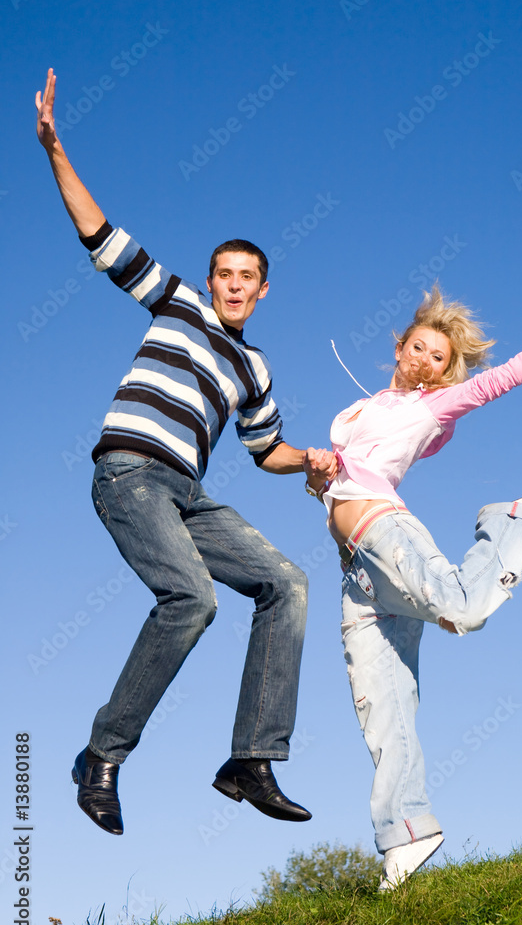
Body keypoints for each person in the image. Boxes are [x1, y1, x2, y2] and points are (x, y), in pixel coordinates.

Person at [36, 68, 336, 835]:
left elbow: (266, 449)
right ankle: (101, 756)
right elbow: (101, 235)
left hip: (188, 494)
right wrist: (56, 150)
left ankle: (250, 760)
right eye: (224, 275)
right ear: (210, 281)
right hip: (130, 471)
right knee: (192, 600)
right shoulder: (177, 302)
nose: (234, 286)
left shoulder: (255, 367)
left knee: (287, 582)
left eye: (247, 278)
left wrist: (310, 459)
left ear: (263, 291)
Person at [304, 286, 522, 890]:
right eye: (419, 348)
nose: (425, 361)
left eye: (439, 358)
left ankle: (512, 520)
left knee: (465, 609)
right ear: (399, 347)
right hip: (357, 572)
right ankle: (407, 833)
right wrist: (319, 472)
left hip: (387, 537)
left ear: (445, 371)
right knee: (383, 706)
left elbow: (507, 377)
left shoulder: (432, 407)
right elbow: (334, 480)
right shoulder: (357, 412)